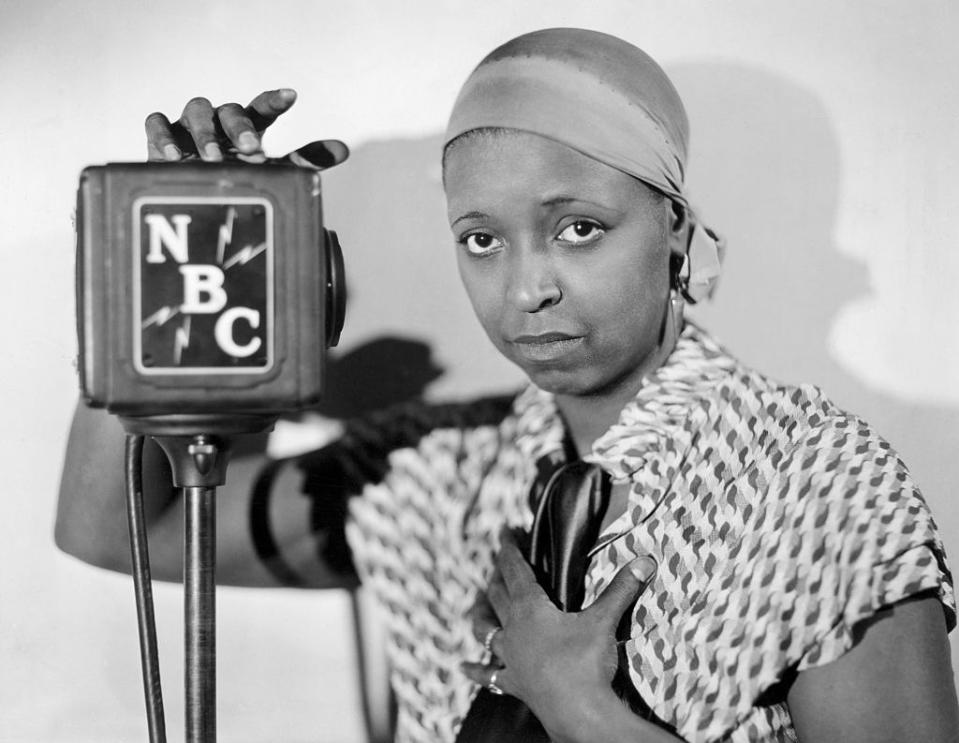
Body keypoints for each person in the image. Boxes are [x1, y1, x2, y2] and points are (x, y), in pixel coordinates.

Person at [56, 28, 959, 743]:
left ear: (675, 234)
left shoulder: (817, 482)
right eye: (481, 239)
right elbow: (121, 527)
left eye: (577, 228)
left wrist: (587, 716)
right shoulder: (431, 473)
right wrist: (162, 265)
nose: (527, 288)